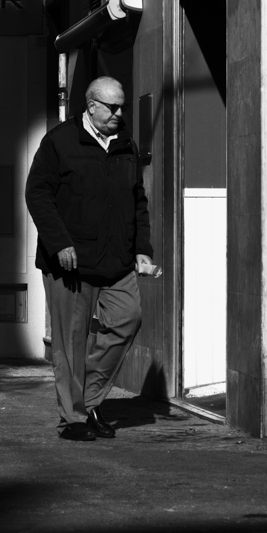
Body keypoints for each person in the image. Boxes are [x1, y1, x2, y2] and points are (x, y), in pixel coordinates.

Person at [25, 75, 159, 441]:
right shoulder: (59, 142)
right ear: (92, 106)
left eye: (123, 107)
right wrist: (59, 243)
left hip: (115, 260)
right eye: (112, 107)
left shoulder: (125, 144)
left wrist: (142, 250)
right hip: (69, 263)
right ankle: (73, 420)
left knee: (127, 319)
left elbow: (138, 201)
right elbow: (37, 194)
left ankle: (87, 398)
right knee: (71, 343)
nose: (119, 113)